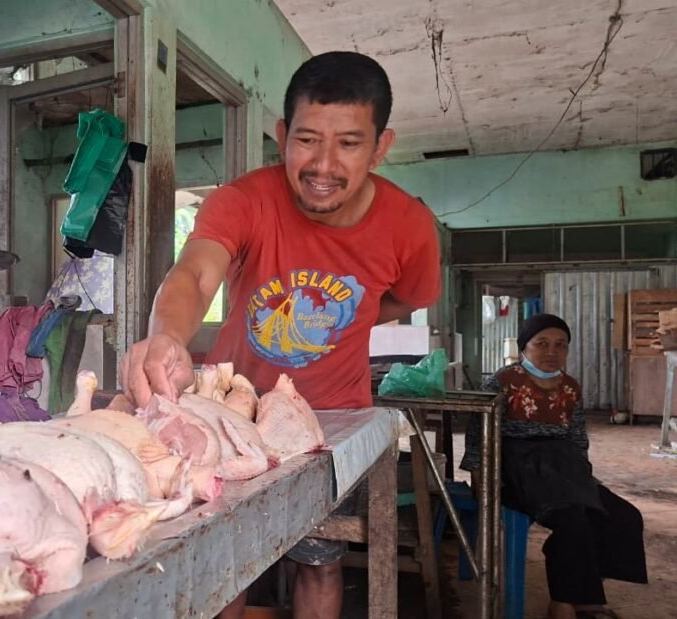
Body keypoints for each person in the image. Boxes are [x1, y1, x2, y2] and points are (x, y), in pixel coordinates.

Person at [120, 51, 442, 619]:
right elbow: (195, 274)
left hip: (330, 424)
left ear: (380, 147)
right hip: (232, 420)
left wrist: (350, 317)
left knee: (319, 561)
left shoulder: (409, 226)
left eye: (349, 143)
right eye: (307, 140)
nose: (324, 165)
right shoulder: (244, 201)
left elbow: (410, 297)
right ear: (282, 135)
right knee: (224, 566)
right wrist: (167, 335)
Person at [462, 313, 648, 619]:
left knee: (623, 517)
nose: (552, 351)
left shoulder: (570, 387)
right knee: (572, 520)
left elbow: (578, 439)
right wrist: (479, 480)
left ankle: (583, 593)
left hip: (563, 466)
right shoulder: (503, 381)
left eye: (561, 345)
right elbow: (476, 436)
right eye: (542, 343)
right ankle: (566, 603)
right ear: (524, 347)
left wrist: (585, 478)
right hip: (519, 469)